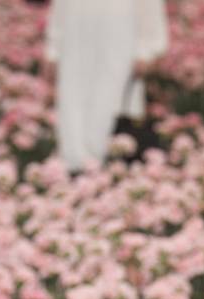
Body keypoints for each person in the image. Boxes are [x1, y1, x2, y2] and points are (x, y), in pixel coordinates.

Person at [44, 0, 168, 172]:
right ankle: (75, 166)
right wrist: (53, 48)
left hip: (120, 39)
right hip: (75, 38)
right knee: (73, 105)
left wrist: (147, 48)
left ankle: (105, 166)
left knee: (111, 104)